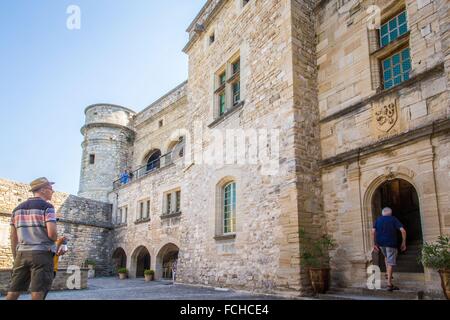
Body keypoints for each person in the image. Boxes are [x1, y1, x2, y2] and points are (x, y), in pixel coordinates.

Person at [6, 177, 65, 300]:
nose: (53, 191)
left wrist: (16, 256)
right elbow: (52, 234)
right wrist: (58, 241)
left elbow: (13, 237)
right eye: (50, 188)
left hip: (21, 254)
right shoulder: (47, 207)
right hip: (41, 254)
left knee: (13, 292)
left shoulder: (17, 209)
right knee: (38, 293)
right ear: (43, 190)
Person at [372, 207, 407, 292]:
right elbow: (403, 231)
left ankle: (388, 274)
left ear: (382, 213)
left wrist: (374, 244)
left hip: (381, 243)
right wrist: (403, 242)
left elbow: (373, 231)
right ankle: (389, 284)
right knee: (391, 262)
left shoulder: (378, 219)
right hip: (391, 244)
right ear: (390, 213)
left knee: (386, 257)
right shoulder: (393, 219)